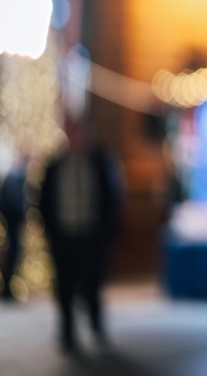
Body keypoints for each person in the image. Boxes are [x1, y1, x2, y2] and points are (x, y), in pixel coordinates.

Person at [38, 120, 124, 353]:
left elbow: (112, 198)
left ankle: (96, 324)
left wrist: (108, 233)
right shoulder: (54, 165)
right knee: (64, 286)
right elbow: (43, 200)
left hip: (91, 236)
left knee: (92, 283)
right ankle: (67, 332)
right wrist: (48, 230)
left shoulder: (100, 163)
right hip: (63, 235)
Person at [0, 149, 28, 301]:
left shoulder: (15, 176)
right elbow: (12, 202)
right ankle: (6, 289)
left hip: (12, 221)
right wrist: (21, 215)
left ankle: (7, 289)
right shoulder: (15, 177)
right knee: (12, 253)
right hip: (12, 221)